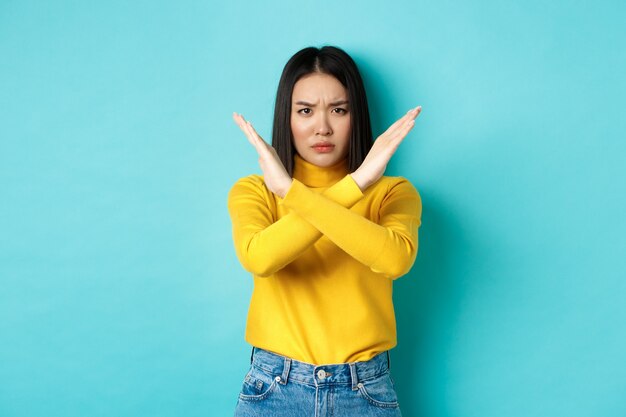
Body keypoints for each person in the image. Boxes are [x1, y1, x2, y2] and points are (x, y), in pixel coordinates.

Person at [228, 45, 422, 417]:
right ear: (286, 117)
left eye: (338, 110)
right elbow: (260, 257)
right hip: (274, 388)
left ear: (356, 115)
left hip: (364, 390)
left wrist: (357, 182)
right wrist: (350, 184)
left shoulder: (392, 193)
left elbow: (395, 260)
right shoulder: (255, 191)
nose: (323, 127)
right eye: (305, 111)